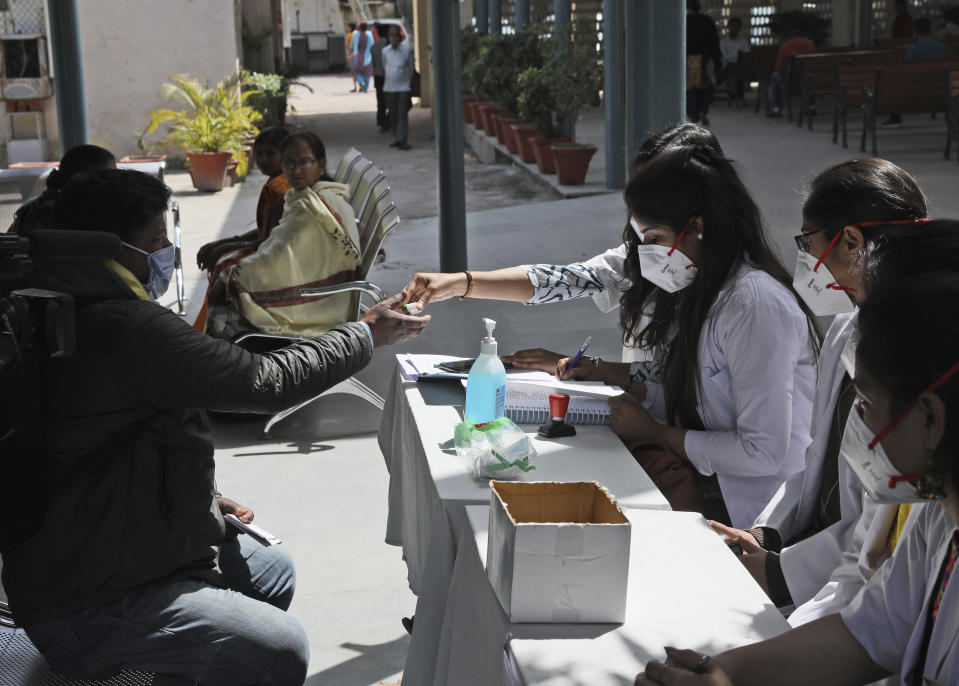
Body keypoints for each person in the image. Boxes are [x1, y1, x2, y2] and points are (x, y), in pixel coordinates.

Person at [0, 168, 429, 684]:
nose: (167, 254)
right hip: (86, 602)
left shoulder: (60, 302)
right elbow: (263, 380)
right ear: (109, 246)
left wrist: (200, 496)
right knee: (280, 648)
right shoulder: (126, 328)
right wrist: (363, 334)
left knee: (271, 569)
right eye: (156, 242)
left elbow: (115, 436)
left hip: (93, 553)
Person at [405, 142, 818, 529]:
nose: (646, 254)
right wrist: (623, 386)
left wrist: (653, 431)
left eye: (655, 239)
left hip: (752, 511)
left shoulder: (753, 305)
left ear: (699, 225)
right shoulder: (707, 286)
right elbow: (704, 395)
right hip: (707, 474)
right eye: (641, 240)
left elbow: (762, 451)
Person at [634, 270, 959, 686]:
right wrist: (721, 670)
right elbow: (870, 633)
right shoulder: (935, 509)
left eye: (864, 402)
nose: (854, 423)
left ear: (930, 417)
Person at [710, 159, 930, 625]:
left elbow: (878, 529)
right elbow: (816, 461)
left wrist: (780, 573)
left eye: (808, 241)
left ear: (850, 240)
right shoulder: (847, 327)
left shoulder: (917, 354)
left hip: (849, 586)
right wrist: (767, 535)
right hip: (812, 553)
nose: (806, 258)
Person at [205, 131, 362, 342]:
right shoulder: (310, 196)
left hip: (322, 306)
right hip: (327, 294)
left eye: (304, 162)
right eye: (289, 162)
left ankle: (238, 372)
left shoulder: (312, 208)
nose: (295, 170)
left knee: (222, 315)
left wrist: (230, 277)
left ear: (321, 164)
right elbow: (279, 246)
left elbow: (279, 256)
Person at [195, 126, 291, 274]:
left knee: (226, 271)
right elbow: (266, 231)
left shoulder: (281, 189)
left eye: (270, 153)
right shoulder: (274, 183)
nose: (263, 159)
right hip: (269, 249)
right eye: (258, 153)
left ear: (286, 154)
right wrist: (227, 242)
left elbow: (272, 240)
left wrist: (228, 247)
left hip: (281, 259)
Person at [7, 143, 116, 235]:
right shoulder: (95, 216)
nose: (117, 181)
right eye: (112, 175)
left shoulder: (31, 208)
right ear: (89, 179)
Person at [882, 17, 947, 127]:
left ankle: (895, 118)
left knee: (895, 84)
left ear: (915, 31)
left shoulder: (912, 49)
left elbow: (908, 72)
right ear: (930, 30)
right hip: (940, 91)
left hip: (916, 92)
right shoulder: (941, 48)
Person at [686, 0, 723, 125]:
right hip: (705, 58)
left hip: (688, 58)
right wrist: (717, 60)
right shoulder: (707, 20)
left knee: (690, 88)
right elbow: (715, 41)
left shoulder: (684, 21)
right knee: (705, 86)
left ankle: (693, 115)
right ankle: (703, 111)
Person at [768, 27, 815, 117]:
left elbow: (778, 67)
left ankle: (775, 108)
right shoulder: (810, 44)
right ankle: (811, 106)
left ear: (790, 36)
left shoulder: (785, 45)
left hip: (791, 82)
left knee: (774, 76)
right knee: (809, 76)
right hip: (808, 81)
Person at [383, 24, 413, 151]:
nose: (393, 37)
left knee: (402, 115)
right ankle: (397, 137)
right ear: (388, 36)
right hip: (389, 88)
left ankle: (402, 140)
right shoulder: (385, 51)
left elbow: (411, 68)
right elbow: (385, 66)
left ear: (400, 36)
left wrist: (406, 82)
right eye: (391, 35)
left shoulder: (406, 50)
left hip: (403, 88)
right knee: (393, 115)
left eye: (395, 35)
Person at [720, 17, 750, 108]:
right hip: (726, 67)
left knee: (737, 72)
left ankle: (736, 95)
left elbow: (746, 54)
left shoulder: (743, 41)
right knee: (734, 70)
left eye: (737, 26)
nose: (735, 28)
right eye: (733, 26)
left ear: (739, 28)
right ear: (729, 27)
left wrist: (732, 56)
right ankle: (738, 97)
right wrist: (736, 56)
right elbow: (723, 56)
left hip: (740, 66)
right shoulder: (723, 41)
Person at [371, 23, 390, 131]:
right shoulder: (388, 46)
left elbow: (374, 63)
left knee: (380, 100)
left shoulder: (374, 47)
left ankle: (381, 121)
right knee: (392, 99)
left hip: (378, 76)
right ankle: (389, 120)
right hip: (388, 76)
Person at [350, 22, 373, 93]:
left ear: (359, 27)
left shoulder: (355, 34)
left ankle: (361, 82)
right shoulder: (369, 34)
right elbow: (372, 45)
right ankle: (365, 89)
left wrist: (351, 51)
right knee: (367, 74)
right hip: (367, 57)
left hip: (357, 57)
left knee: (356, 72)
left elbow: (352, 46)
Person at [346, 21, 358, 92]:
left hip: (352, 55)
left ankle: (355, 87)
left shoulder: (349, 35)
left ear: (350, 28)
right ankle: (362, 83)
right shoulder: (359, 34)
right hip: (360, 55)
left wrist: (348, 55)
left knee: (354, 72)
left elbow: (347, 46)